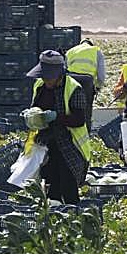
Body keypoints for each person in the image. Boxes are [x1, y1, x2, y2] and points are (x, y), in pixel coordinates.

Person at [24, 49, 91, 204]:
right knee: (50, 186)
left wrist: (56, 117)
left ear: (60, 74)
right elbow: (35, 107)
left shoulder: (74, 88)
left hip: (69, 146)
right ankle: (55, 218)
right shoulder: (40, 86)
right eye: (44, 76)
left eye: (50, 77)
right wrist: (31, 116)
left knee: (68, 188)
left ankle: (73, 217)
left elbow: (79, 119)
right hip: (47, 143)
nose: (46, 80)